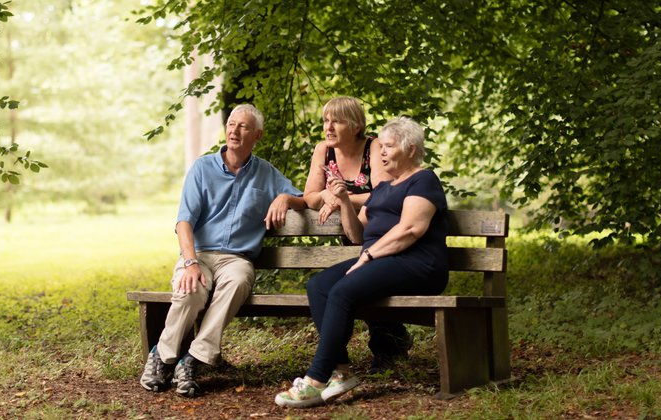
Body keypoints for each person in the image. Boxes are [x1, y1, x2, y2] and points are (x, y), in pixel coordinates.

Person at [275, 116, 448, 408]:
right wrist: (343, 200)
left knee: (342, 291)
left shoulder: (424, 180)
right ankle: (341, 371)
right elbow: (357, 235)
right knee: (319, 286)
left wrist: (368, 256)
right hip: (381, 261)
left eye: (389, 146)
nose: (380, 152)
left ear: (410, 149)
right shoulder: (383, 188)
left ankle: (316, 380)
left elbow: (409, 230)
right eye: (380, 147)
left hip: (417, 264)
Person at [140, 104, 306, 398]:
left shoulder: (266, 173)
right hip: (199, 255)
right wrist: (190, 262)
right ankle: (162, 356)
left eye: (243, 126)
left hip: (236, 260)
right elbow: (183, 222)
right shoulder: (202, 168)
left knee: (240, 279)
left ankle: (193, 360)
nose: (234, 130)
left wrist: (284, 198)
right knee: (191, 291)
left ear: (257, 135)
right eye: (231, 124)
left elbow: (303, 198)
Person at [302, 96, 413, 373]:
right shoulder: (323, 151)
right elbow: (310, 196)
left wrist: (341, 199)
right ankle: (349, 357)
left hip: (379, 229)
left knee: (364, 284)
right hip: (352, 228)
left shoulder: (373, 147)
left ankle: (388, 346)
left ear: (355, 125)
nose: (329, 127)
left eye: (336, 121)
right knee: (343, 287)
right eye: (326, 120)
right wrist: (329, 195)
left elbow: (382, 193)